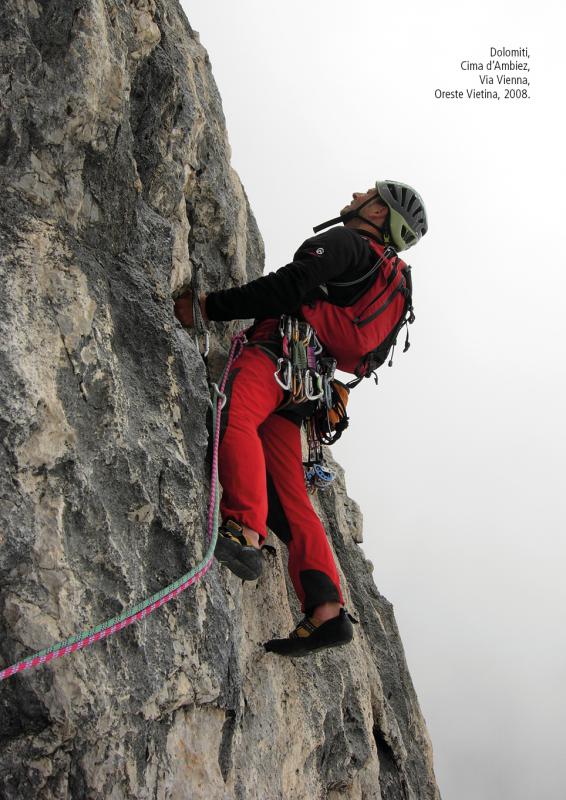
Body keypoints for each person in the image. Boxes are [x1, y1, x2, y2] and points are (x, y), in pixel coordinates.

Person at [174, 180, 428, 657]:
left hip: (275, 354)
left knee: (234, 421)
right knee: (291, 495)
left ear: (378, 214)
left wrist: (209, 308)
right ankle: (326, 609)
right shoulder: (384, 277)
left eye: (366, 195)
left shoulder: (349, 243)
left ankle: (244, 528)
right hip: (305, 388)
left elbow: (286, 288)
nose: (355, 196)